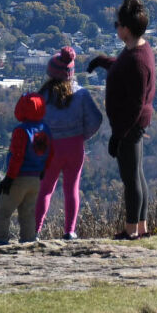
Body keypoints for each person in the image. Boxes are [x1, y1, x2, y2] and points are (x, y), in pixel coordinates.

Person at [88, 0, 156, 239]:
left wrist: (118, 136)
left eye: (117, 24)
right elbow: (122, 67)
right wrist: (103, 62)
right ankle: (141, 227)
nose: (115, 27)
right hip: (131, 124)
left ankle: (131, 232)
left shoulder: (138, 61)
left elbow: (136, 104)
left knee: (130, 179)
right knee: (137, 174)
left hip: (130, 125)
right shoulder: (137, 50)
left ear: (126, 29)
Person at [33, 45, 105, 240]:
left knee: (46, 188)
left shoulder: (43, 96)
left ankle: (35, 230)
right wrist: (82, 135)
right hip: (74, 146)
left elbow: (34, 123)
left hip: (50, 147)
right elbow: (96, 119)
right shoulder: (81, 94)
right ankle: (70, 231)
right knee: (72, 188)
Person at [0, 90, 49, 244]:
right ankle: (29, 240)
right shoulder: (46, 129)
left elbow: (17, 157)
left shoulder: (21, 131)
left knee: (3, 211)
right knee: (28, 213)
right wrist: (44, 171)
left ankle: (0, 240)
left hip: (19, 178)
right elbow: (51, 153)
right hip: (36, 178)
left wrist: (9, 179)